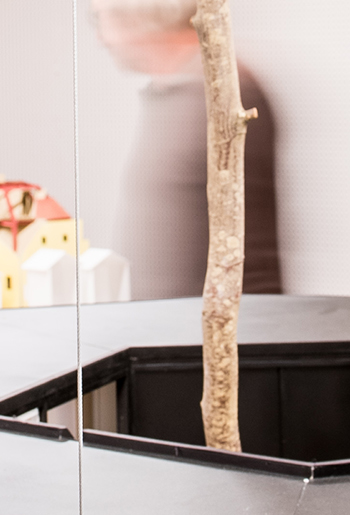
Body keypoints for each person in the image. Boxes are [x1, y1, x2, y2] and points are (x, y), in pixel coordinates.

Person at [92, 0, 282, 300]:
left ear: (141, 15)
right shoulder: (174, 91)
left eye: (105, 19)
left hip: (220, 326)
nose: (102, 38)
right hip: (168, 324)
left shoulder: (221, 92)